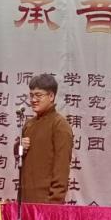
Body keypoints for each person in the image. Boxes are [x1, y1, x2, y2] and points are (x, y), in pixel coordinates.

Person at [19, 73, 74, 204]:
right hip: (25, 201)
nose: (33, 100)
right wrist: (19, 148)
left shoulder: (60, 125)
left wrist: (53, 205)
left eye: (38, 95)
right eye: (31, 95)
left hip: (47, 204)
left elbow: (61, 170)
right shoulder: (28, 124)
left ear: (51, 96)